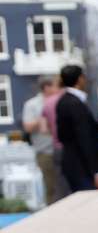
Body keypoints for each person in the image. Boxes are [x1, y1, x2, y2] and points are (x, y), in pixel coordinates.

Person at [55, 64, 98, 193]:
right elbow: (84, 138)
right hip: (82, 167)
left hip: (72, 162)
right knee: (90, 203)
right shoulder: (75, 103)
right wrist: (96, 171)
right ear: (80, 79)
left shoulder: (63, 101)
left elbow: (62, 134)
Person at [22, 77, 62, 205]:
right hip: (45, 151)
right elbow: (27, 127)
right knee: (51, 186)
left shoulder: (60, 101)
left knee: (63, 186)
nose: (58, 89)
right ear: (47, 88)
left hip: (61, 149)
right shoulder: (32, 104)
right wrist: (44, 117)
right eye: (55, 86)